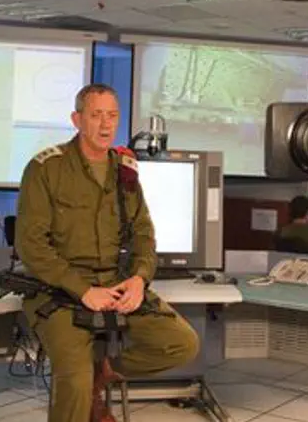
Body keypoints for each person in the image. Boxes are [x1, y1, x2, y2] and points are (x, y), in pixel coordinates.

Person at [15, 83, 199, 422]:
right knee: (73, 379)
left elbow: (144, 234)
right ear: (77, 119)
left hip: (116, 285)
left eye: (112, 116)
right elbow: (31, 246)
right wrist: (84, 290)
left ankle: (103, 371)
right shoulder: (46, 169)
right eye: (96, 115)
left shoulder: (124, 170)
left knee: (182, 343)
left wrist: (139, 280)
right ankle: (86, 378)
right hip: (61, 291)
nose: (105, 124)